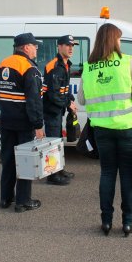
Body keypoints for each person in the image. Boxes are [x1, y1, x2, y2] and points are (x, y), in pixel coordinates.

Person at [77, 23, 132, 237]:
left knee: (107, 173)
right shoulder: (127, 61)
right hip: (128, 127)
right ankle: (127, 223)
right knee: (128, 175)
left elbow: (82, 99)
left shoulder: (88, 67)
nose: (120, 42)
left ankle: (106, 222)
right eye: (119, 38)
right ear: (113, 40)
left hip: (101, 129)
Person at [0, 32, 45, 213]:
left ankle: (5, 198)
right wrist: (38, 125)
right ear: (25, 47)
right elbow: (34, 101)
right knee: (25, 161)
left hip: (7, 121)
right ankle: (23, 201)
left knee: (8, 160)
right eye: (34, 45)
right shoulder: (29, 68)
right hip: (24, 124)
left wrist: (7, 112)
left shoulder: (4, 64)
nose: (36, 48)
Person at [43, 35, 79, 186]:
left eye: (72, 45)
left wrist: (70, 98)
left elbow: (63, 89)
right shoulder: (54, 66)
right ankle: (52, 175)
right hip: (52, 110)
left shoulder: (66, 64)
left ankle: (59, 170)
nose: (71, 48)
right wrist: (67, 104)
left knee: (58, 141)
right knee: (52, 143)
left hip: (58, 110)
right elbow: (53, 94)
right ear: (59, 46)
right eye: (67, 45)